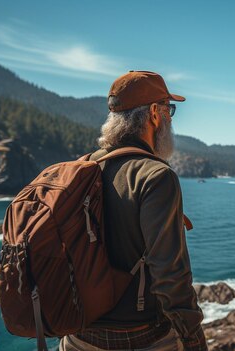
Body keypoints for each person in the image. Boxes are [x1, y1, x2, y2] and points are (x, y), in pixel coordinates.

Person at [59, 71, 207, 350]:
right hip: (140, 337)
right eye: (169, 110)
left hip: (77, 336)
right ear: (154, 113)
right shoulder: (156, 176)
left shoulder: (82, 168)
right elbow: (170, 275)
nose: (169, 119)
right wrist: (193, 337)